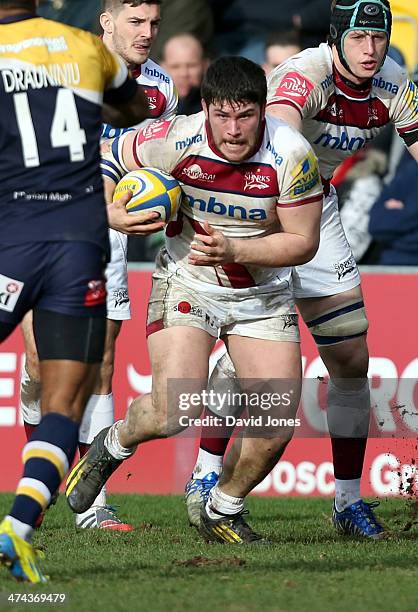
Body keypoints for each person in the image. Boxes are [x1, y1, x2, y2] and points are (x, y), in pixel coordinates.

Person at [65, 56, 323, 544]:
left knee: (276, 423)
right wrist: (111, 211)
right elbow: (105, 156)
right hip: (188, 282)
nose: (232, 129)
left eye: (245, 115)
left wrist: (236, 248)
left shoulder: (291, 155)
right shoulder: (175, 138)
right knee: (174, 410)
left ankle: (223, 507)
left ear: (263, 111)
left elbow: (303, 241)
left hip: (262, 295)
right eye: (221, 115)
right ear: (204, 108)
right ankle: (114, 443)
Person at [185, 0, 418, 537]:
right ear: (335, 39)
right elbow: (279, 142)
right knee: (250, 352)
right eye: (357, 38)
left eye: (378, 37)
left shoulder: (392, 80)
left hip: (319, 207)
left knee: (351, 357)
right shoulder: (303, 74)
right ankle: (204, 473)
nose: (369, 49)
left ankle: (347, 501)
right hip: (259, 205)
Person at [0, 0, 148, 583]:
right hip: (79, 243)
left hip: (11, 238)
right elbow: (132, 105)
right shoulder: (85, 47)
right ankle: (18, 526)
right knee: (66, 403)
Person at [19, 0, 177, 531]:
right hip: (46, 220)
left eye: (154, 23)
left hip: (110, 232)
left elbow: (162, 157)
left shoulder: (160, 88)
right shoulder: (61, 66)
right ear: (106, 22)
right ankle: (35, 493)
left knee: (102, 362)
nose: (147, 33)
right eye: (135, 22)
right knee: (41, 364)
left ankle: (91, 502)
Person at [161, 33, 209, 115]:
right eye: (175, 67)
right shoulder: (149, 105)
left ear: (205, 66)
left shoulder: (215, 105)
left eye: (191, 66)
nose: (183, 74)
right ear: (162, 68)